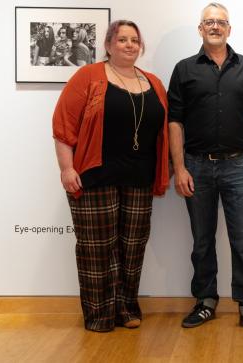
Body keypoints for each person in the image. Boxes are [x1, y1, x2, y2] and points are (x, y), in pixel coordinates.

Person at [52, 20, 169, 332]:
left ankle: (126, 308)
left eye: (134, 40)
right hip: (94, 175)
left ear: (140, 46)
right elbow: (64, 126)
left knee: (132, 246)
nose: (129, 45)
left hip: (139, 176)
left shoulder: (154, 83)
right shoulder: (88, 76)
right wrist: (67, 168)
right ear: (108, 45)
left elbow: (163, 132)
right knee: (97, 247)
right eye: (122, 40)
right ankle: (99, 315)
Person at [167, 2, 243, 335]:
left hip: (239, 166)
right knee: (202, 240)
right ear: (200, 29)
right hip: (196, 167)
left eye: (221, 22)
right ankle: (205, 302)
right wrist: (179, 167)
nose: (215, 26)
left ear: (230, 29)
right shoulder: (184, 70)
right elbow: (174, 122)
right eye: (209, 22)